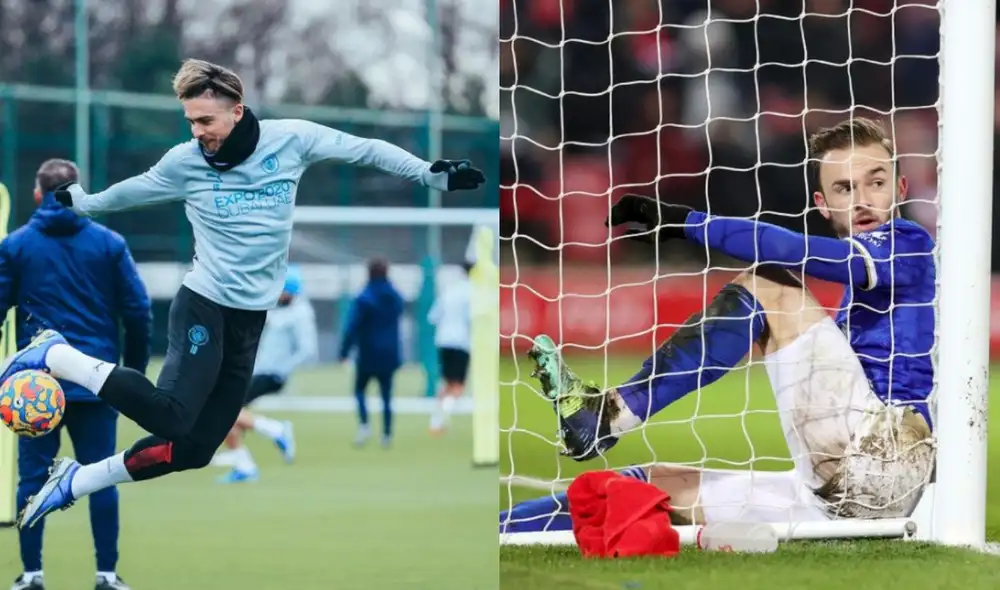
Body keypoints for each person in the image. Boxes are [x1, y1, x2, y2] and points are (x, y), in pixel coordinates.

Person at [8, 58, 484, 531]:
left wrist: (431, 174)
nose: (196, 131)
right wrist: (85, 201)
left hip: (250, 318)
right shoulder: (184, 162)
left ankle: (76, 481)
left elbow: (364, 149)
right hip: (203, 304)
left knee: (195, 450)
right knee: (172, 416)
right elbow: (129, 192)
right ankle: (58, 354)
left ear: (237, 111)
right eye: (190, 121)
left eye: (205, 120)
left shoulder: (291, 139)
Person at [501, 117, 935, 532]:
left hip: (886, 455)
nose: (862, 200)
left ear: (899, 188)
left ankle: (608, 414)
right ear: (823, 205)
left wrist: (688, 223)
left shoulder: (909, 244)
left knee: (770, 283)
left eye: (876, 183)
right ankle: (500, 531)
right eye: (844, 188)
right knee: (645, 487)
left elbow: (798, 251)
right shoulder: (860, 297)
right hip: (838, 492)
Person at [3, 159, 150, 590]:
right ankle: (106, 575)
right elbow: (138, 311)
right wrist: (134, 373)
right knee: (100, 478)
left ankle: (32, 576)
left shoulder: (16, 246)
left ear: (37, 194)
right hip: (98, 384)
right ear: (78, 191)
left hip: (32, 389)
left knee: (32, 481)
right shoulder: (109, 243)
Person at [214, 264, 317, 483]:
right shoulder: (279, 308)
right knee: (226, 412)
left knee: (223, 409)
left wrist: (282, 369)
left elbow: (306, 349)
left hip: (271, 374)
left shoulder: (300, 313)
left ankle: (275, 431)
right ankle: (243, 460)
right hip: (258, 370)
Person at [339, 258, 404, 448]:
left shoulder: (364, 297)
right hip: (390, 353)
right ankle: (387, 433)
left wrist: (344, 351)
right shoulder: (395, 297)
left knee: (359, 390)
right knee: (386, 395)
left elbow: (352, 325)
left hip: (367, 352)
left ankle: (365, 424)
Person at [427, 262, 472, 435]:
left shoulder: (449, 289)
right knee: (458, 387)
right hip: (461, 342)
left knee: (447, 383)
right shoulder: (473, 291)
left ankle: (436, 419)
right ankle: (442, 420)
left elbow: (433, 316)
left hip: (443, 340)